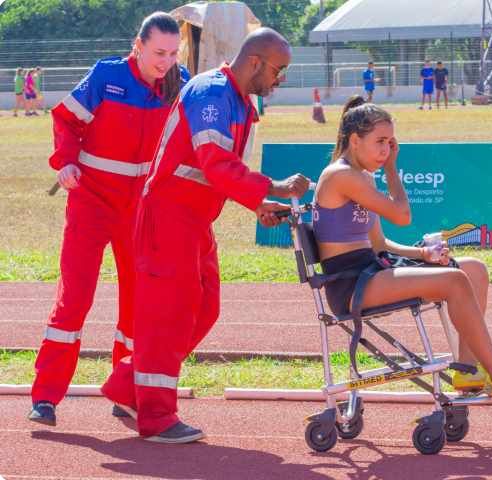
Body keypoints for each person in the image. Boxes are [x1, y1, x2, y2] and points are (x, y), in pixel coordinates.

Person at [101, 27, 310, 444]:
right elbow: (214, 163)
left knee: (204, 307)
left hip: (194, 220)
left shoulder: (238, 100)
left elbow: (215, 172)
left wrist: (258, 203)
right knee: (169, 315)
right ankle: (156, 416)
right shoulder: (212, 93)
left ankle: (127, 386)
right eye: (278, 70)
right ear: (255, 62)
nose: (281, 79)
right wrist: (274, 187)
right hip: (168, 217)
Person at [313, 95, 492, 409]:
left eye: (390, 143)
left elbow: (380, 245)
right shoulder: (341, 176)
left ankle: (467, 371)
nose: (386, 151)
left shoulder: (362, 176)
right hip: (350, 284)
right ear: (355, 140)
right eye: (380, 142)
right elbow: (402, 216)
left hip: (371, 269)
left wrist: (422, 254)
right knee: (454, 280)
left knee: (474, 270)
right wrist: (392, 170)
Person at [28, 12, 188, 427]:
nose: (166, 62)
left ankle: (125, 392)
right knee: (74, 298)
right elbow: (65, 119)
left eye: (173, 54)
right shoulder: (106, 75)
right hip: (92, 203)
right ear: (138, 45)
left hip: (141, 212)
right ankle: (45, 397)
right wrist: (65, 161)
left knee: (139, 304)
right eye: (159, 52)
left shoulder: (181, 83)